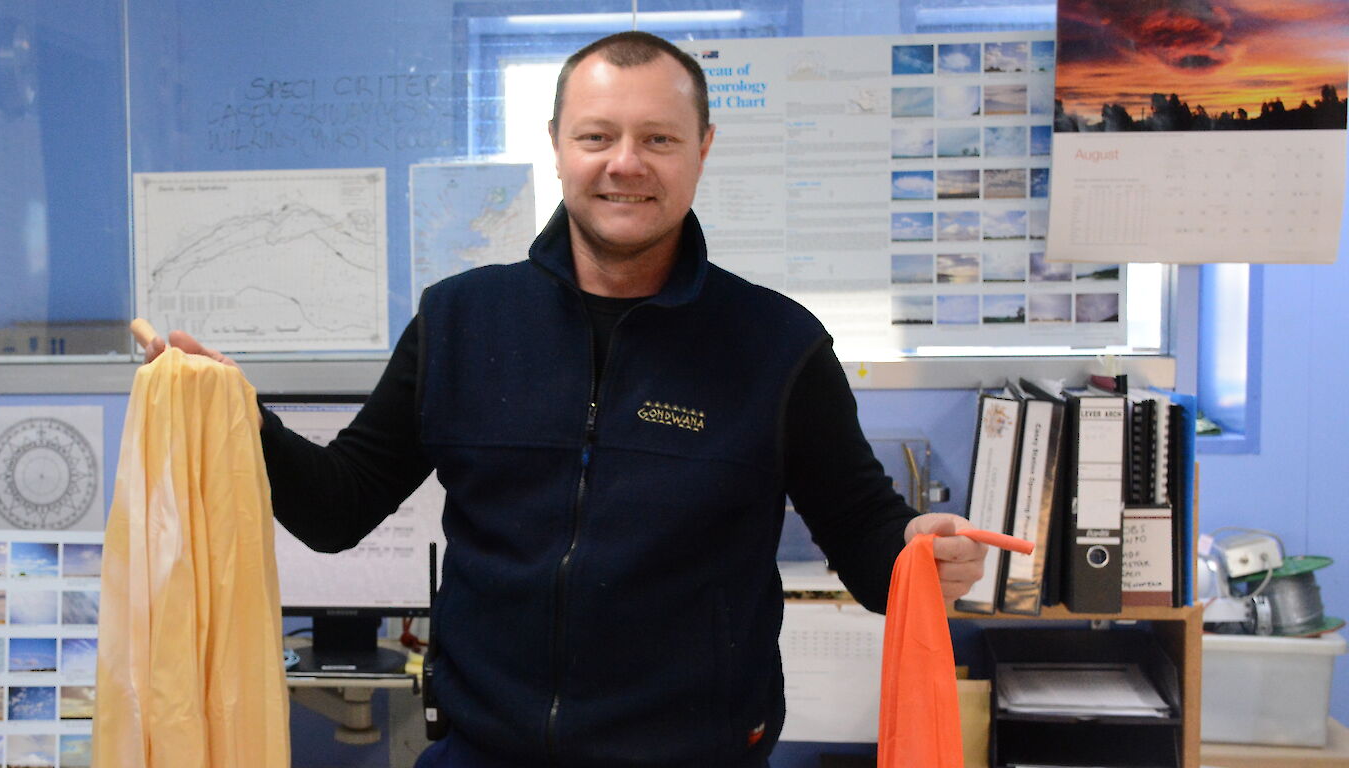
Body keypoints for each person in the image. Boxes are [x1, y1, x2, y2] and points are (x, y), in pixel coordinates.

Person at [140, 30, 986, 768]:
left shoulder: (777, 344)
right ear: (557, 145)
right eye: (598, 135)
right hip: (479, 750)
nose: (626, 162)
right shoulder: (460, 319)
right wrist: (235, 412)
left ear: (703, 147)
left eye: (659, 137)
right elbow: (338, 508)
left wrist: (917, 546)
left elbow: (867, 539)